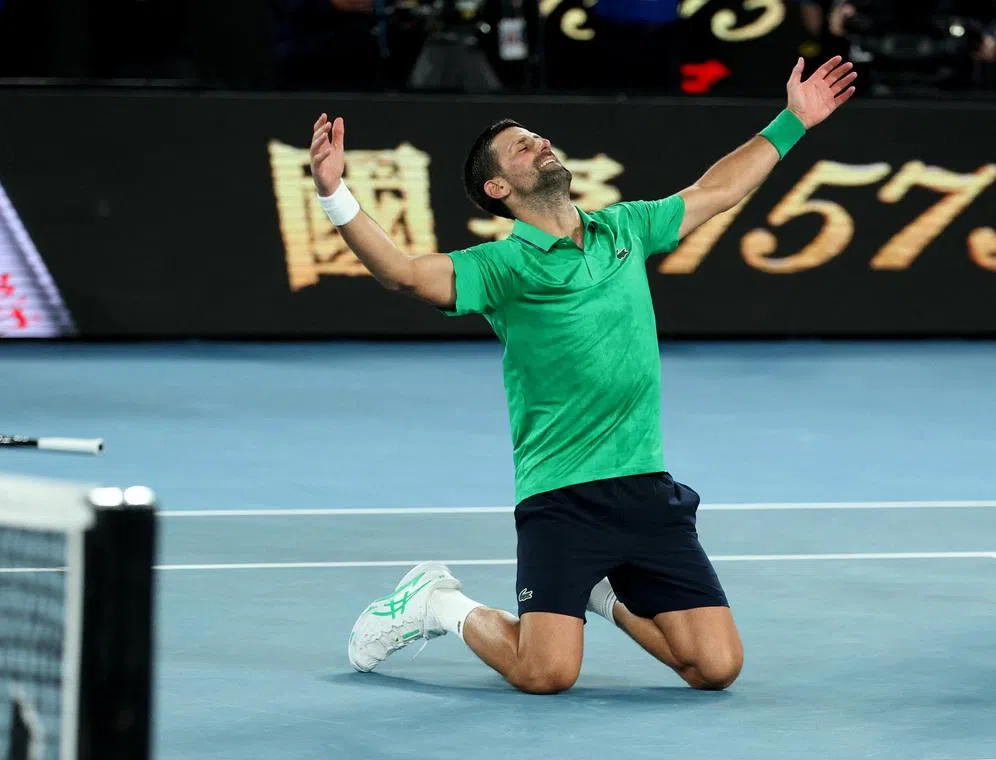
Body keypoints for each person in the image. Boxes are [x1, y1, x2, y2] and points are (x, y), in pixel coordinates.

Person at [311, 56, 857, 695]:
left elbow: (718, 189)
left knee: (716, 668)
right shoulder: (500, 267)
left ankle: (602, 597)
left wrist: (792, 121)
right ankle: (437, 604)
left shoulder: (624, 228)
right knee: (545, 673)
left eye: (538, 137)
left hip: (647, 488)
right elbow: (403, 272)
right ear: (498, 190)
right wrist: (333, 192)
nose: (540, 143)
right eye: (520, 148)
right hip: (563, 498)